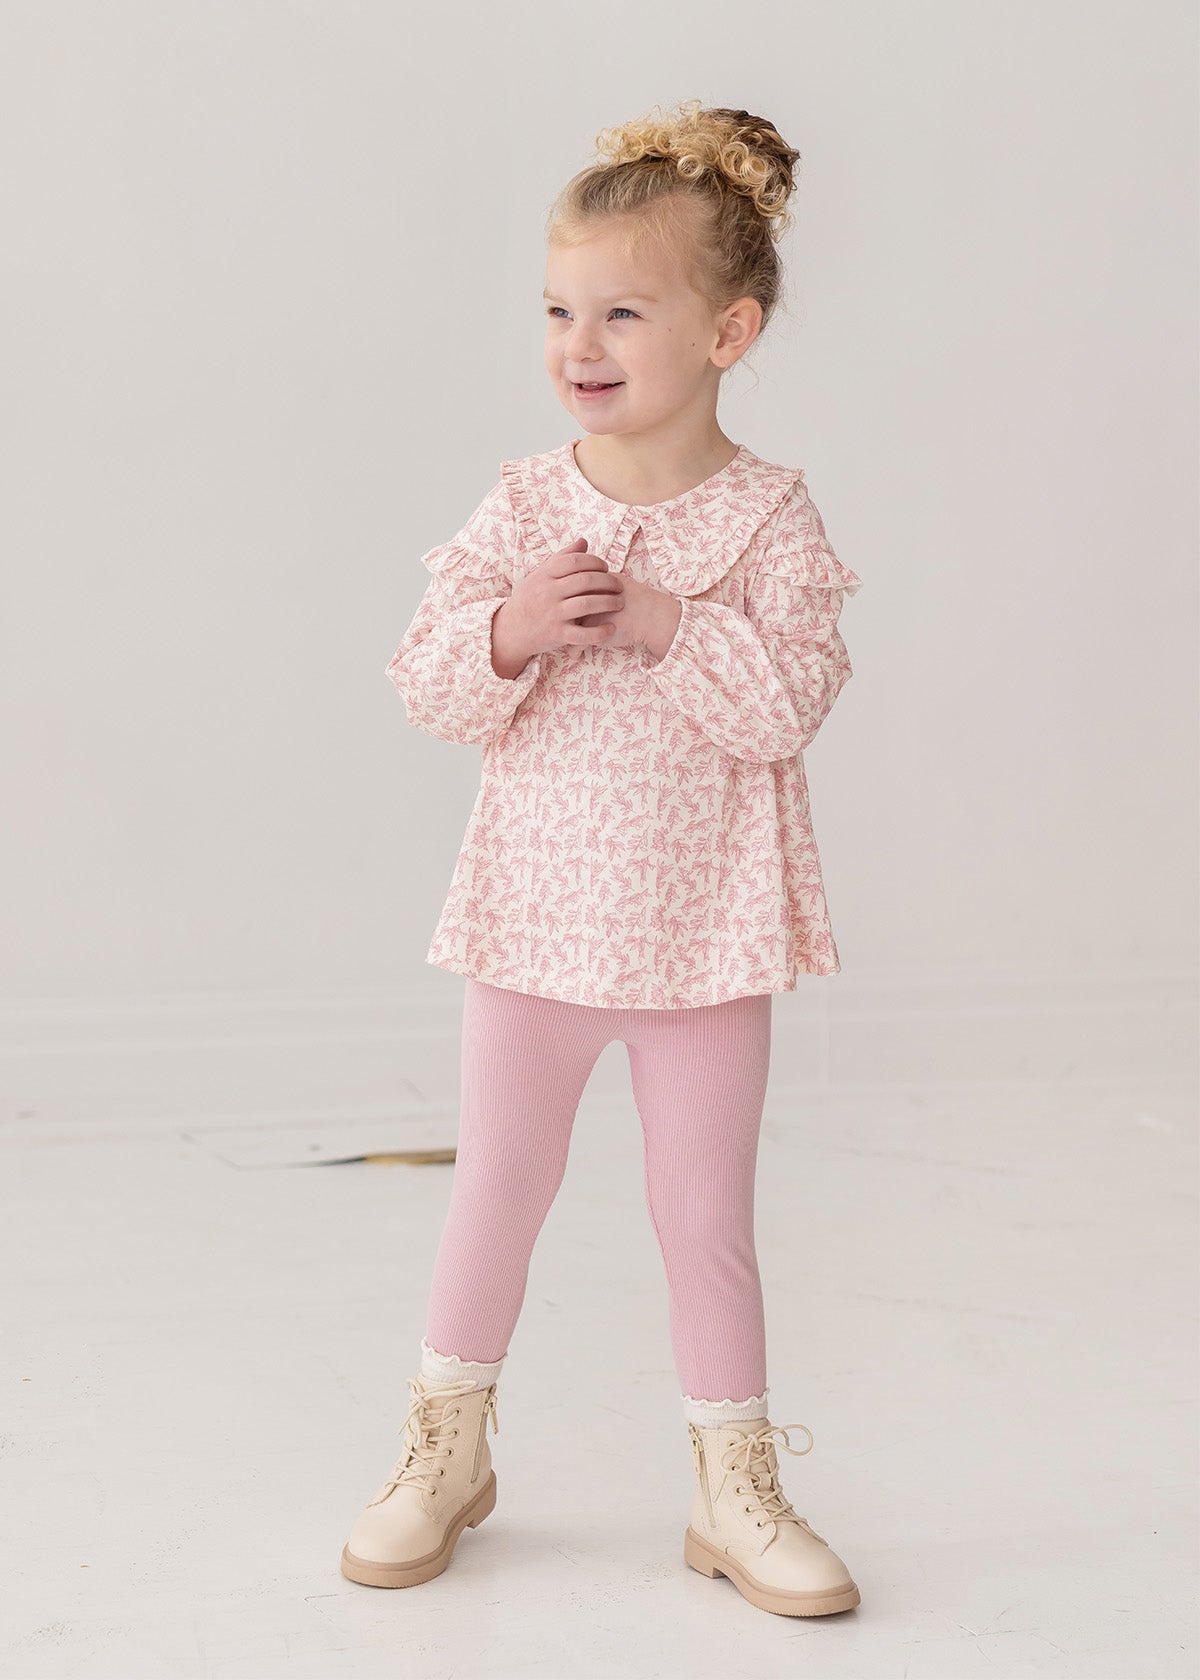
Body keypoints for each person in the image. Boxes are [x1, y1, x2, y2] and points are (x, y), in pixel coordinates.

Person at [341, 99, 865, 1620]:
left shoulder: (769, 519)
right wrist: (508, 631)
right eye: (561, 308)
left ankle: (734, 1483)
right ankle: (447, 1446)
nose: (583, 338)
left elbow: (788, 707)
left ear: (729, 330)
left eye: (625, 309)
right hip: (534, 935)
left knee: (703, 1217)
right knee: (497, 1187)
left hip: (704, 937)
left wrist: (657, 621)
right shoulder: (523, 504)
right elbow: (430, 684)